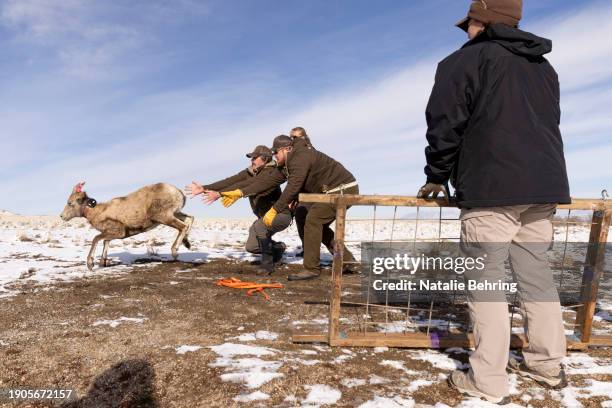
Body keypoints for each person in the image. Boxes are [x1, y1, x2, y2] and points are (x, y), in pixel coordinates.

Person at [418, 0, 570, 404]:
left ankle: (487, 380)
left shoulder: (463, 61)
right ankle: (547, 366)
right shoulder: (543, 67)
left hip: (491, 188)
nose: (465, 30)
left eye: (467, 23)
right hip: (543, 186)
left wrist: (436, 174)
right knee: (536, 276)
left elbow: (445, 122)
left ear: (480, 22)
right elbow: (548, 122)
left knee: (485, 282)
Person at [185, 145, 292, 273]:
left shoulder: (272, 172)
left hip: (280, 215)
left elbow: (250, 185)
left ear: (265, 159)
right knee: (251, 246)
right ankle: (278, 248)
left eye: (254, 158)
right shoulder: (251, 172)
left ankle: (267, 265)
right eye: (251, 158)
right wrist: (205, 188)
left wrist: (221, 194)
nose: (252, 161)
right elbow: (230, 181)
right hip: (264, 218)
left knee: (259, 227)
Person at [264, 135, 358, 281]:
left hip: (343, 190)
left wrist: (275, 209)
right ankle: (347, 260)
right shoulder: (291, 162)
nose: (274, 156)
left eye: (275, 152)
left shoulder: (300, 156)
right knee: (315, 223)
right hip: (330, 193)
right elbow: (266, 182)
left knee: (313, 220)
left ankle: (311, 269)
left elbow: (294, 185)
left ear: (286, 149)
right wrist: (237, 192)